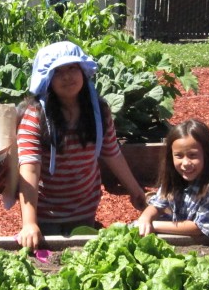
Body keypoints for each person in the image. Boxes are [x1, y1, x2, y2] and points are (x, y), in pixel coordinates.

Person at [16, 41, 146, 250]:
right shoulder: (35, 117)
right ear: (47, 79)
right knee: (49, 260)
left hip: (85, 206)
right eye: (58, 72)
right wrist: (29, 223)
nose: (67, 76)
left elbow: (112, 152)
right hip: (47, 211)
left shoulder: (99, 111)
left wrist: (135, 190)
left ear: (83, 72)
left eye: (72, 68)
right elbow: (29, 168)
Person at [137, 119, 209, 240]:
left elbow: (200, 228)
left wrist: (154, 225)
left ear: (207, 154)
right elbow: (158, 204)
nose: (186, 163)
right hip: (190, 237)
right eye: (179, 156)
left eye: (193, 155)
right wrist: (145, 218)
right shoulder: (174, 174)